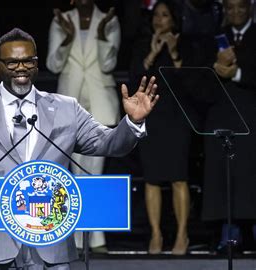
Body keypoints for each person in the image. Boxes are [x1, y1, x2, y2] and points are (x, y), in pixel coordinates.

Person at [0, 28, 158, 269]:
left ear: (36, 63)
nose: (21, 68)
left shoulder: (66, 108)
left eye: (28, 61)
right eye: (12, 62)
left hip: (50, 246)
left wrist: (132, 122)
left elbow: (109, 143)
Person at [46, 0, 120, 253]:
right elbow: (52, 65)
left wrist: (101, 37)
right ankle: (75, 239)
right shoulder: (61, 20)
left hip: (101, 104)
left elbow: (109, 65)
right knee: (73, 175)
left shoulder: (108, 19)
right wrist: (67, 39)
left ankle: (96, 238)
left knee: (95, 174)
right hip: (70, 102)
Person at [129, 0, 192, 255]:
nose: (159, 20)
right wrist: (152, 54)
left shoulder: (186, 44)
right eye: (156, 15)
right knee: (152, 179)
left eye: (165, 15)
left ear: (174, 20)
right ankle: (156, 234)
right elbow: (134, 82)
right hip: (151, 119)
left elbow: (193, 83)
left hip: (177, 119)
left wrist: (174, 53)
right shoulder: (142, 44)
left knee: (179, 177)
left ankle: (181, 234)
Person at [202, 0, 256, 253]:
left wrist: (235, 74)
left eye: (241, 7)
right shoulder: (215, 38)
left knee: (251, 179)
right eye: (230, 7)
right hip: (222, 121)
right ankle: (229, 237)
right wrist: (214, 69)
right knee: (225, 180)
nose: (235, 12)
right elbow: (198, 83)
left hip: (251, 120)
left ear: (250, 9)